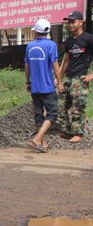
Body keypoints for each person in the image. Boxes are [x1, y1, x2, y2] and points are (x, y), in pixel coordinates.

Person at [25, 19, 63, 153]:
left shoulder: (30, 46)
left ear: (36, 31)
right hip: (47, 87)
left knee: (39, 115)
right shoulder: (51, 45)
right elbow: (55, 64)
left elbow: (27, 66)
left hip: (35, 87)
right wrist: (60, 81)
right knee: (52, 113)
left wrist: (28, 82)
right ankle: (37, 139)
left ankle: (43, 143)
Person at [58, 10, 93, 143]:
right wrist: (59, 78)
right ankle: (67, 131)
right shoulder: (69, 41)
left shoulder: (89, 39)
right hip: (68, 78)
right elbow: (66, 61)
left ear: (81, 22)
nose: (70, 24)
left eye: (73, 22)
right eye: (69, 22)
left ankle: (78, 133)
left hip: (80, 79)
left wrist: (91, 75)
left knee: (77, 108)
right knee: (60, 106)